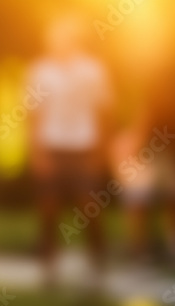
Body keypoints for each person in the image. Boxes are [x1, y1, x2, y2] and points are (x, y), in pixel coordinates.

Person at [28, 14, 113, 286]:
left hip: (83, 145)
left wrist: (101, 151)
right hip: (52, 144)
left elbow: (104, 112)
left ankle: (96, 259)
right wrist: (36, 151)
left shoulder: (93, 70)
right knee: (48, 207)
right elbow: (33, 114)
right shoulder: (40, 71)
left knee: (88, 205)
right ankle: (49, 263)